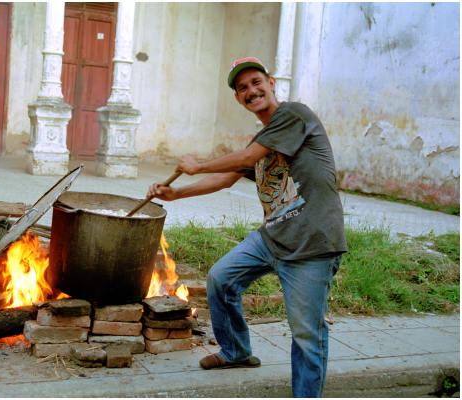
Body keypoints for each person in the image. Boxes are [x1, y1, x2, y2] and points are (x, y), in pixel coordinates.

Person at [147, 57, 348, 398]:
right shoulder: (265, 138)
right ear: (239, 99)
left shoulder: (293, 114)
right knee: (221, 278)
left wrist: (196, 166)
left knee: (306, 334)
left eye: (256, 82)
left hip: (312, 244)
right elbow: (227, 178)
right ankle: (236, 351)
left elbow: (241, 159)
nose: (251, 90)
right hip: (273, 237)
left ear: (271, 83)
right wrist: (176, 193)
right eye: (243, 88)